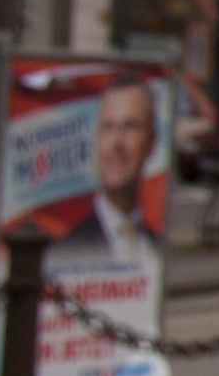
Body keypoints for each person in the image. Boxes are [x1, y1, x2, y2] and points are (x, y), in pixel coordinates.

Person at [45, 81, 161, 277]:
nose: (116, 143)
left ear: (151, 143)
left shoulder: (156, 246)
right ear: (95, 140)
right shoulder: (64, 252)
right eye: (108, 127)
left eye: (130, 127)